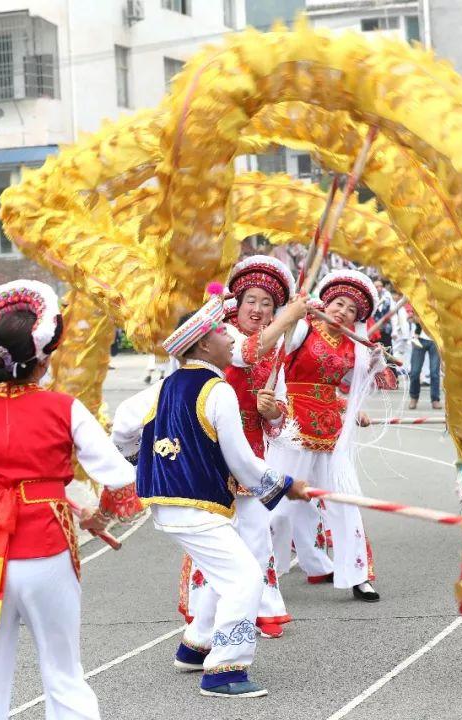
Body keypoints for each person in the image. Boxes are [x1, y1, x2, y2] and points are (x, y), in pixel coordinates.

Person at [0, 280, 138, 720]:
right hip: (43, 548)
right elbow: (121, 476)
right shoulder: (64, 408)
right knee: (62, 668)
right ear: (41, 359)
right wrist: (101, 516)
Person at [134, 292, 311, 698]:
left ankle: (195, 646)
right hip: (199, 506)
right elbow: (243, 463)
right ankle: (224, 670)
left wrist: (148, 464)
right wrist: (287, 486)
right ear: (201, 345)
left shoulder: (165, 386)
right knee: (245, 577)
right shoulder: (218, 390)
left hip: (176, 505)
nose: (229, 336)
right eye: (220, 331)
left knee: (226, 569)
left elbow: (125, 428)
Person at [182, 255, 306, 640]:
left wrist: (271, 412)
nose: (259, 309)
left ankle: (261, 610)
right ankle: (205, 616)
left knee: (256, 531)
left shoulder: (276, 351)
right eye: (252, 300)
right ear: (239, 302)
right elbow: (243, 355)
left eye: (268, 304)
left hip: (251, 451)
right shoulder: (220, 335)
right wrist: (291, 317)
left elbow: (282, 410)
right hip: (211, 450)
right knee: (215, 532)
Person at [266, 269, 385, 602]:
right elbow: (285, 338)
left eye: (351, 310)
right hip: (293, 425)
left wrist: (356, 401)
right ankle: (263, 572)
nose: (343, 311)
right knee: (282, 506)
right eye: (339, 303)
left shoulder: (353, 345)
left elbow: (341, 387)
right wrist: (292, 312)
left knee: (345, 502)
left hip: (331, 429)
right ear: (327, 302)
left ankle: (358, 575)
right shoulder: (304, 328)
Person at [406, 304, 441, 410]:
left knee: (434, 373)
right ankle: (414, 397)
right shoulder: (420, 300)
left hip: (435, 339)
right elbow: (413, 318)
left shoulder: (440, 302)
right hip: (419, 339)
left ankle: (435, 399)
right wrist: (417, 319)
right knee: (415, 372)